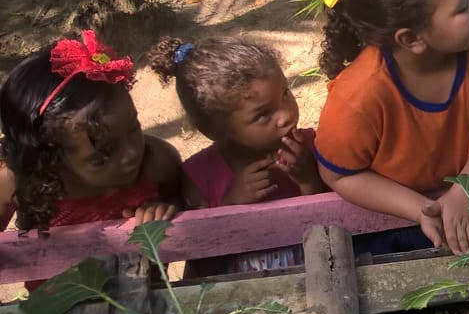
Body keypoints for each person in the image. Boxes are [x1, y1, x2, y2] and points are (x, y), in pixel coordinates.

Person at [313, 0, 469, 255]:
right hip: (379, 227)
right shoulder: (357, 98)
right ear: (411, 39)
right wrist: (421, 209)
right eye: (463, 6)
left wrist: (463, 193)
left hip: (458, 208)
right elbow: (339, 175)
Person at [148, 36, 324, 272]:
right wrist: (232, 205)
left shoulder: (312, 146)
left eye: (285, 93)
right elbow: (202, 264)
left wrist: (308, 179)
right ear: (215, 130)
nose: (286, 115)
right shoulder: (200, 176)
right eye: (263, 115)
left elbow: (332, 227)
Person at [0, 31, 182, 236]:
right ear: (50, 159)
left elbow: (188, 204)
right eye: (103, 155)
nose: (131, 153)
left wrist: (166, 208)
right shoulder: (19, 182)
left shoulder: (158, 162)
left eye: (133, 127)